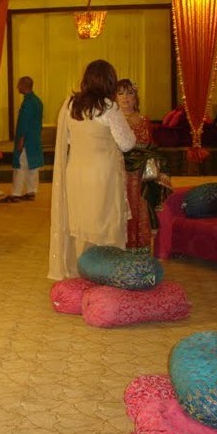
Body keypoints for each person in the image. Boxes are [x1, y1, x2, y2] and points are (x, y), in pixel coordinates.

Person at [48, 60, 136, 280]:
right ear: (110, 81)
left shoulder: (70, 105)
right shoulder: (109, 107)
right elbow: (127, 143)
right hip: (103, 174)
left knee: (80, 220)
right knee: (106, 223)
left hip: (76, 171)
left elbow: (68, 139)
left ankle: (80, 269)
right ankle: (107, 272)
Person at [116, 79, 154, 252]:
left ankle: (139, 246)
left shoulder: (144, 119)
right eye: (120, 93)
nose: (125, 98)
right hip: (117, 172)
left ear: (135, 97)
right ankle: (119, 247)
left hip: (138, 174)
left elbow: (149, 145)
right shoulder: (113, 120)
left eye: (129, 93)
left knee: (138, 206)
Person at [0, 76, 43, 203]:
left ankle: (16, 193)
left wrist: (21, 139)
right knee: (32, 166)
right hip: (34, 138)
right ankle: (31, 191)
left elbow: (24, 122)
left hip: (26, 139)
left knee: (20, 164)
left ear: (24, 86)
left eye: (19, 85)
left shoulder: (28, 102)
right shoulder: (37, 101)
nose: (17, 87)